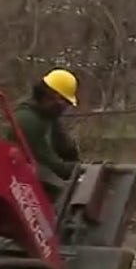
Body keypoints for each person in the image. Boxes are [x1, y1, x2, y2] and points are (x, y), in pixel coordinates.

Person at [10, 68, 81, 200]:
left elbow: (65, 147)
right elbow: (50, 164)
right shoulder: (27, 120)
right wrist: (79, 170)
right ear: (50, 95)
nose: (65, 107)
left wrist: (76, 163)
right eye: (64, 102)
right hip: (22, 185)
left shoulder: (48, 117)